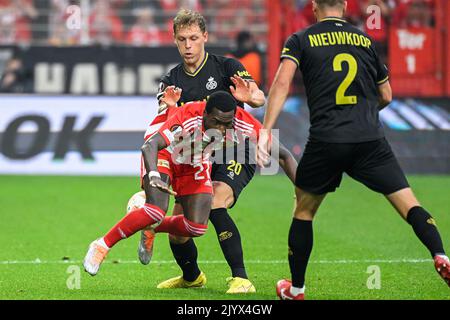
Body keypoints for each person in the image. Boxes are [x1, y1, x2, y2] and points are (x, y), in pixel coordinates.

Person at [257, 0, 449, 300]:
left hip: (327, 139)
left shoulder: (301, 38)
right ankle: (440, 255)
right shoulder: (365, 40)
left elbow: (282, 82)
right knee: (409, 204)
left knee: (304, 209)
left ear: (313, 6)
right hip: (369, 139)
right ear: (345, 6)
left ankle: (296, 289)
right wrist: (366, 111)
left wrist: (266, 130)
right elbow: (386, 94)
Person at [83, 91, 297, 279]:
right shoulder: (188, 115)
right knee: (157, 209)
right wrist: (154, 175)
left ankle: (148, 226)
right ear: (205, 114)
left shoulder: (242, 121)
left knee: (196, 227)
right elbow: (150, 146)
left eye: (227, 124)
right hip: (164, 152)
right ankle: (101, 245)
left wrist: (303, 191)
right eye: (217, 122)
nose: (222, 129)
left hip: (195, 159)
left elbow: (285, 156)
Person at [139, 9, 266, 294]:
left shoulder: (227, 66)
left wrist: (252, 98)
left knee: (216, 201)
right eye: (182, 39)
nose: (188, 45)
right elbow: (163, 116)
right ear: (174, 40)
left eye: (194, 38)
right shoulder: (171, 79)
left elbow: (258, 96)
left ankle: (241, 278)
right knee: (178, 228)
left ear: (205, 37)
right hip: (195, 153)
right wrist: (168, 109)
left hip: (235, 148)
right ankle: (192, 276)